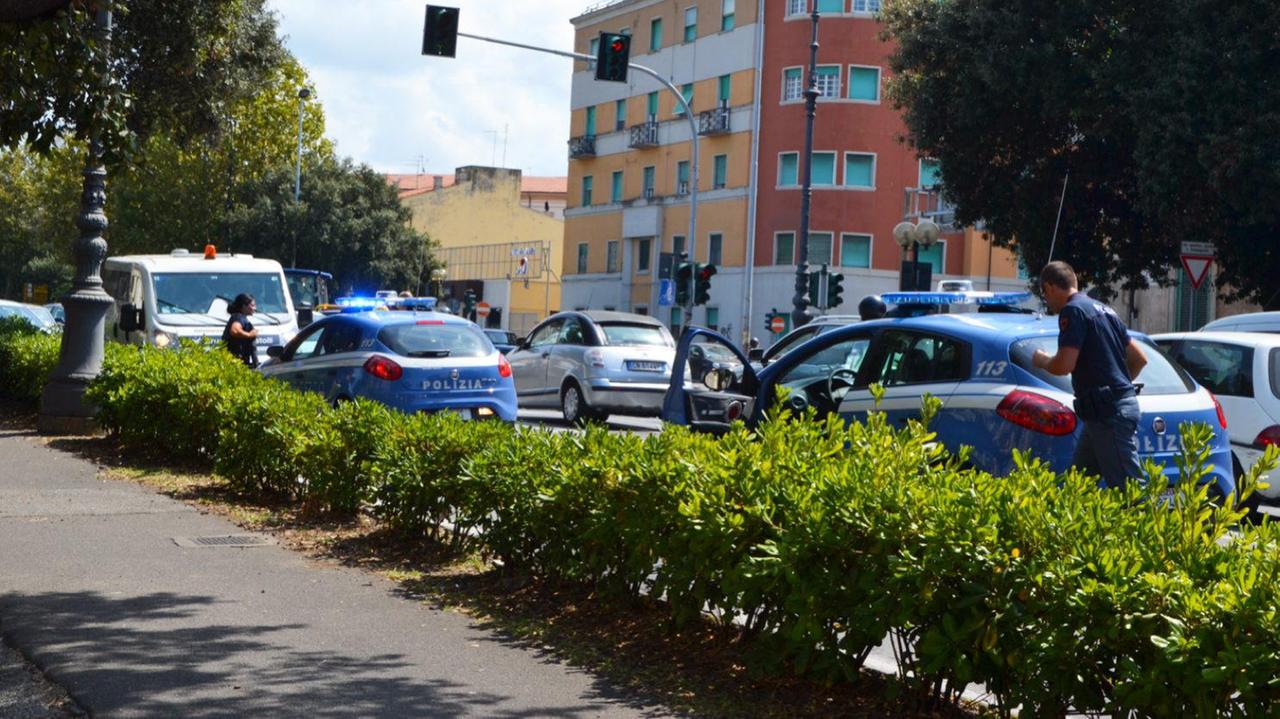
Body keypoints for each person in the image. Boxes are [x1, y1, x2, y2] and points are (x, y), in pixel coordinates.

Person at [1031, 261, 1148, 489]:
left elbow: (1064, 364)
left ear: (1050, 287)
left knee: (1131, 493)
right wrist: (1118, 387)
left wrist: (1042, 360)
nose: (1048, 303)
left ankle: (1149, 525)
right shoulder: (1106, 311)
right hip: (1106, 411)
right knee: (1078, 487)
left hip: (1108, 413)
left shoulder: (1072, 311)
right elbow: (1139, 358)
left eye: (1045, 296)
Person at [222, 293, 259, 367]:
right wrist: (249, 335)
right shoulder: (239, 317)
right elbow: (234, 330)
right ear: (244, 306)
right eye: (252, 305)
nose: (255, 308)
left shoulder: (240, 317)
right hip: (235, 363)